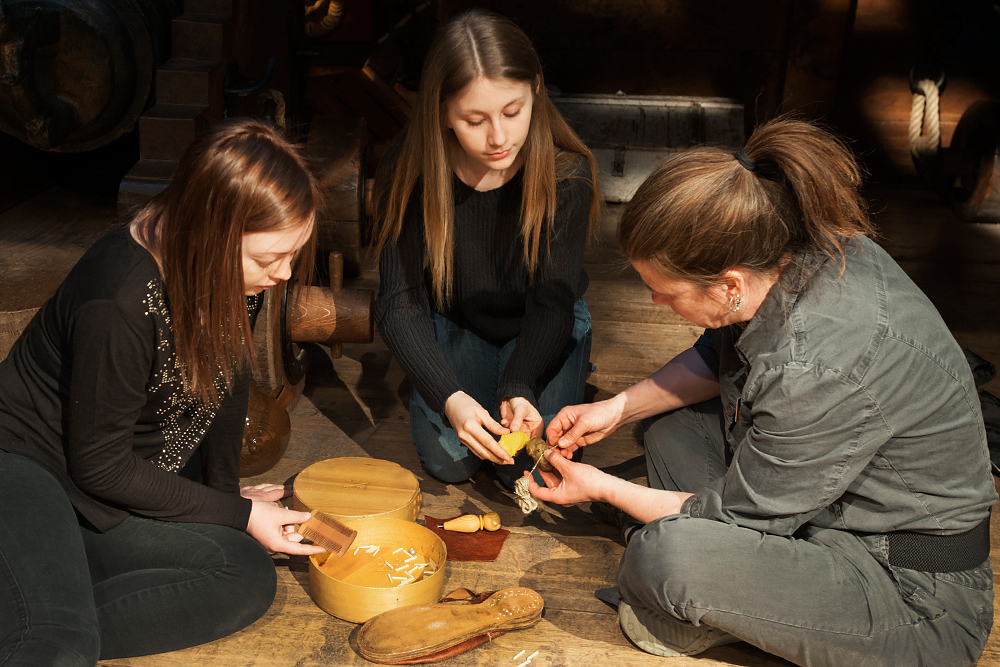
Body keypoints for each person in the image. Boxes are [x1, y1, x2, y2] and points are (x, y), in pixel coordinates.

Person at [531, 117, 996, 666]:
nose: (655, 304)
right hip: (829, 507)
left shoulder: (816, 366)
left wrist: (602, 488)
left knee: (663, 558)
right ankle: (748, 595)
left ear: (728, 285)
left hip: (908, 589)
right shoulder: (788, 246)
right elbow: (715, 354)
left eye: (665, 293)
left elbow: (735, 517)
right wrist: (615, 408)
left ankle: (730, 603)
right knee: (669, 427)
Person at [0, 119, 327, 666]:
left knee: (242, 571)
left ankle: (43, 601)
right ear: (211, 235)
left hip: (107, 487)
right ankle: (42, 617)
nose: (284, 274)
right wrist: (238, 515)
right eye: (270, 259)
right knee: (56, 642)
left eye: (291, 255)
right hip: (29, 469)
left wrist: (227, 505)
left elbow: (230, 381)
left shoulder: (226, 270)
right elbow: (101, 466)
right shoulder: (120, 300)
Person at [371, 9, 602, 487]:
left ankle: (560, 367)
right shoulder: (409, 171)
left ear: (536, 89)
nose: (499, 138)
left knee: (524, 467)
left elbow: (553, 300)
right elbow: (398, 300)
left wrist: (520, 384)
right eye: (474, 120)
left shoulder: (567, 175)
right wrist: (449, 396)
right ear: (440, 112)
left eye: (512, 112)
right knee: (449, 463)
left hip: (543, 321)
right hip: (457, 321)